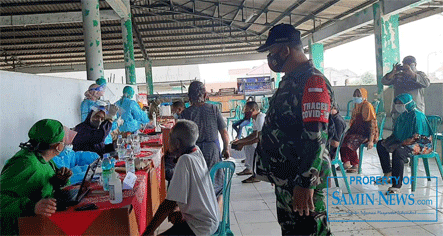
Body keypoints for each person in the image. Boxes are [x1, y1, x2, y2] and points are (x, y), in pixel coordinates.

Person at [254, 23, 333, 235]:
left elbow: (316, 135)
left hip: (302, 180)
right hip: (287, 178)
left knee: (310, 231)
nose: (270, 58)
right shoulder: (291, 79)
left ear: (286, 50)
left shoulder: (312, 81)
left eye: (272, 52)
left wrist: (306, 182)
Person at [143, 120, 219, 236]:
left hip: (200, 227)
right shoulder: (196, 151)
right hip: (209, 221)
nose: (168, 141)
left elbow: (169, 204)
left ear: (177, 143)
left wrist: (147, 232)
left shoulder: (184, 160)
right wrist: (180, 210)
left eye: (169, 138)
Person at [0, 119, 73, 235]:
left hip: (39, 223)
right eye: (63, 141)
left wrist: (58, 181)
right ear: (58, 146)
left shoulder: (45, 159)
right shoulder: (25, 163)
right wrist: (32, 207)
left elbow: (38, 185)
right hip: (18, 230)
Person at [180, 81, 230, 200]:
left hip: (194, 152)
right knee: (217, 186)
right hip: (212, 151)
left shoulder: (185, 113)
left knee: (197, 185)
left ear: (189, 97)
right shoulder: (213, 109)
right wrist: (226, 148)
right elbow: (224, 132)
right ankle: (216, 215)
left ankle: (203, 213)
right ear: (205, 94)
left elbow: (181, 137)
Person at [376, 93, 433, 194]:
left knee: (398, 152)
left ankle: (396, 185)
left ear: (408, 103)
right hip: (405, 140)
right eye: (397, 103)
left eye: (401, 103)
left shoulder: (417, 115)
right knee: (381, 144)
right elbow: (397, 133)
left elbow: (417, 135)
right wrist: (389, 141)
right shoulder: (403, 116)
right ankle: (388, 172)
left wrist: (402, 143)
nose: (398, 106)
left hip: (421, 143)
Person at [339, 88, 378, 173]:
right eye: (355, 95)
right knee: (342, 138)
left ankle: (355, 164)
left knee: (351, 141)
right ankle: (346, 162)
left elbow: (372, 125)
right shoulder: (356, 106)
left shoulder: (367, 106)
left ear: (364, 96)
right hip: (356, 130)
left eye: (358, 95)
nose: (356, 97)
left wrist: (371, 140)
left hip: (366, 133)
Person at [382, 56, 430, 120]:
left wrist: (412, 74)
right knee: (398, 129)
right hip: (398, 111)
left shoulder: (419, 74)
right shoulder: (398, 75)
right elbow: (384, 81)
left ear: (415, 65)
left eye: (410, 65)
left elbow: (426, 83)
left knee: (415, 129)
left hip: (415, 111)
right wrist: (393, 72)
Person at [232, 101, 266, 183]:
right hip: (263, 140)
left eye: (246, 109)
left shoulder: (260, 118)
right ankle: (249, 169)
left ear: (253, 110)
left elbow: (258, 139)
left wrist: (242, 143)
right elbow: (254, 134)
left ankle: (257, 175)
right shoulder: (255, 118)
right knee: (248, 146)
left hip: (268, 143)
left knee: (252, 147)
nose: (245, 112)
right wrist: (239, 141)